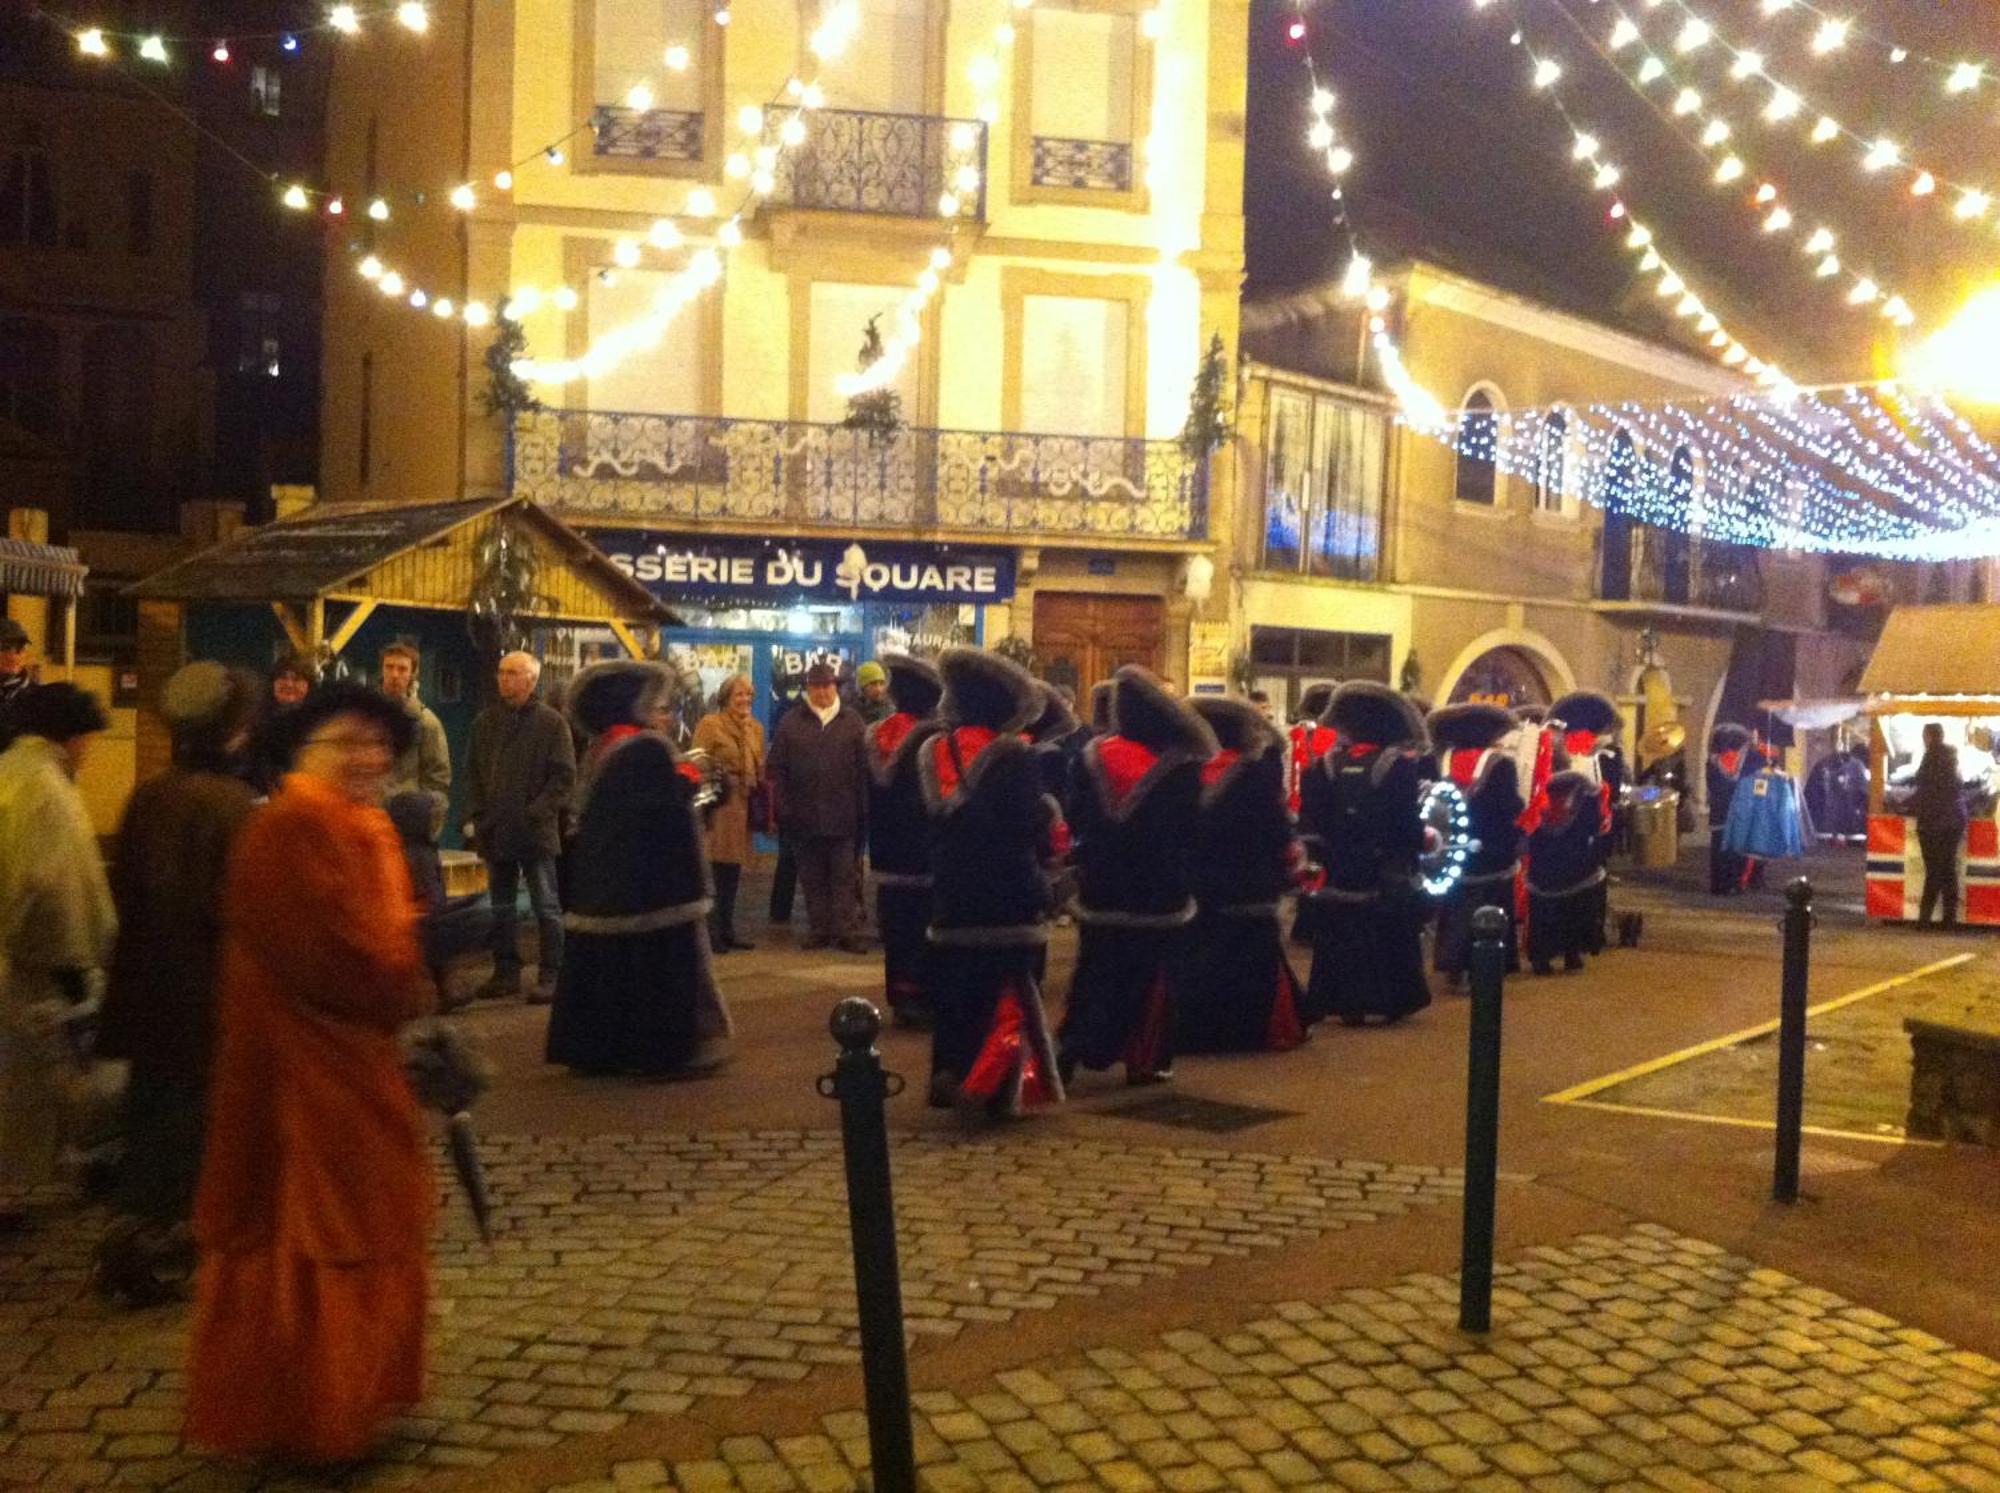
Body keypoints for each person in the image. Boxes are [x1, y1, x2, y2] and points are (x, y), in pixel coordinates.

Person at [185, 681, 431, 1463]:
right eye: (348, 743)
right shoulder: (291, 826)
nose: (368, 757)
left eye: (377, 744)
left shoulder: (363, 825)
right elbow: (337, 952)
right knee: (313, 1231)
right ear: (305, 750)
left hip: (354, 1062)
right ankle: (310, 1413)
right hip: (297, 1072)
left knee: (360, 1221)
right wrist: (403, 976)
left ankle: (352, 1400)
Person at [94, 664, 260, 1305]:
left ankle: (137, 1232)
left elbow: (126, 891)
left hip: (146, 992)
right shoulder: (230, 805)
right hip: (204, 998)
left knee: (154, 1117)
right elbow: (240, 908)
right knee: (193, 1125)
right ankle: (158, 1242)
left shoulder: (150, 794)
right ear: (234, 731)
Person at [545, 662, 733, 1076]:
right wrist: (691, 777)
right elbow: (662, 808)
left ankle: (601, 1051)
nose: (662, 714)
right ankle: (662, 1052)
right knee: (657, 974)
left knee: (609, 972)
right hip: (654, 889)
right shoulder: (645, 749)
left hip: (607, 885)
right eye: (657, 706)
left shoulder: (604, 747)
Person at [921, 647, 1066, 1118]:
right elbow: (1025, 822)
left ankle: (948, 1069)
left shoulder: (932, 752)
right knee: (1008, 989)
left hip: (950, 887)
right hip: (1006, 889)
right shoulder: (1011, 756)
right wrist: (1046, 811)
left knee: (955, 986)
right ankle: (995, 1085)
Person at [1058, 666, 1215, 1086]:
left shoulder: (1093, 755)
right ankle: (1143, 1059)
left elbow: (1075, 815)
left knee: (1093, 969)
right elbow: (1191, 828)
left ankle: (1075, 1044)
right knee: (1151, 974)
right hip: (1157, 886)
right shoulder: (1180, 764)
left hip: (1102, 881)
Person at [0, 684, 116, 1232]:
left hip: (25, 961)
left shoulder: (13, 773)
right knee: (25, 1085)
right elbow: (51, 883)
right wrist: (76, 959)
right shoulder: (46, 788)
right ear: (70, 735)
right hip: (37, 965)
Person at [1175, 696, 1306, 1054]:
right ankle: (1245, 1029)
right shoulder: (1257, 773)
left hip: (1198, 880)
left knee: (1198, 951)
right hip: (1249, 882)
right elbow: (1274, 828)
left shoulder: (1186, 771)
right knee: (1248, 953)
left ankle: (1193, 1028)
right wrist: (1283, 867)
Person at [1299, 682, 1430, 1026]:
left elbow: (1311, 818)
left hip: (1338, 866)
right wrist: (1421, 842)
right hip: (1381, 866)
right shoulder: (1397, 765)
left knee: (1342, 931)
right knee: (1384, 932)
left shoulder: (1325, 764)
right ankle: (1387, 1001)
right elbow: (1405, 822)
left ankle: (1345, 1002)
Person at [463, 651, 576, 1002]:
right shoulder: (485, 723)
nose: (504, 679)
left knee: (546, 905)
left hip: (535, 830)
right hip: (497, 829)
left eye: (513, 673)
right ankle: (505, 972)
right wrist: (476, 815)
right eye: (501, 672)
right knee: (502, 906)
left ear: (531, 679)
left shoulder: (551, 723)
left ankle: (551, 974)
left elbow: (563, 777)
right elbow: (472, 774)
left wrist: (535, 812)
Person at [865, 654, 944, 1028]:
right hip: (923, 848)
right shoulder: (932, 737)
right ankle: (921, 996)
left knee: (895, 926)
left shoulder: (877, 732)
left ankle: (899, 994)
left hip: (886, 849)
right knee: (923, 924)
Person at [767, 660, 869, 952]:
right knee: (812, 879)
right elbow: (777, 769)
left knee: (844, 878)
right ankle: (819, 929)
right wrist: (784, 809)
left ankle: (846, 931)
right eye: (816, 686)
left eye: (827, 685)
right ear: (808, 689)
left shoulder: (852, 722)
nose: (822, 692)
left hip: (844, 816)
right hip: (803, 816)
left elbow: (863, 770)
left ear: (835, 687)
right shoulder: (791, 722)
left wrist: (864, 809)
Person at [1427, 703, 1526, 987]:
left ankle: (1453, 963)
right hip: (1491, 847)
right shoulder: (1501, 763)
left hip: (1451, 844)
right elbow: (1509, 805)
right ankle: (1485, 965)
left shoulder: (1444, 760)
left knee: (1455, 903)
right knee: (1491, 903)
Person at [387, 791, 494, 1006]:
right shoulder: (413, 854)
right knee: (453, 923)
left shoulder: (418, 850)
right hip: (419, 919)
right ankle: (444, 987)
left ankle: (444, 985)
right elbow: (424, 892)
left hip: (426, 914)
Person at [692, 673, 766, 952]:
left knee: (733, 872)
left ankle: (727, 929)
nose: (744, 700)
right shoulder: (711, 725)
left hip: (743, 806)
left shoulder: (755, 729)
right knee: (714, 871)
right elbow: (697, 762)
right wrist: (720, 780)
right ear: (726, 698)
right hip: (719, 807)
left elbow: (761, 764)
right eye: (739, 695)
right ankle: (711, 933)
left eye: (748, 695)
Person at [1549, 690, 1623, 952]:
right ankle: (1591, 933)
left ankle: (1558, 936)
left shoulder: (1556, 749)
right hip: (1595, 825)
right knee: (1595, 878)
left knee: (1561, 880)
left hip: (1557, 824)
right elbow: (1613, 792)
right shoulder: (1607, 754)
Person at [1525, 770, 1602, 974]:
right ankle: (1571, 953)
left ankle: (1541, 957)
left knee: (1543, 914)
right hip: (1574, 866)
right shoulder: (1582, 792)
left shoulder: (1534, 786)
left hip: (1543, 867)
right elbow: (1593, 825)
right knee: (1574, 909)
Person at [378, 641, 452, 816]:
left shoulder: (426, 722)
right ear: (382, 670)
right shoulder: (365, 717)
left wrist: (424, 819)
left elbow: (438, 779)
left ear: (413, 673)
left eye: (402, 669)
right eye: (389, 667)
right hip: (368, 815)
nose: (394, 674)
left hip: (408, 818)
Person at [1911, 721, 1967, 927]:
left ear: (1929, 737)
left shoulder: (1931, 758)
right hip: (1953, 821)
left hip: (1933, 823)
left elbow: (1923, 788)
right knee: (1948, 869)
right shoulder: (1953, 759)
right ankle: (1949, 918)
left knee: (1934, 869)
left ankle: (1924, 920)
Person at [247, 652, 317, 794]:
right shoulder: (254, 719)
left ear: (309, 685)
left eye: (297, 679)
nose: (289, 684)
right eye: (283, 678)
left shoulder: (320, 722)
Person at [1705, 723, 1754, 895]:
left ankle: (1719, 884)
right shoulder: (1738, 762)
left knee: (1719, 849)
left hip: (1719, 811)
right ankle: (1733, 883)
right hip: (1736, 811)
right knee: (1735, 850)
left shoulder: (1712, 761)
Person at [854, 659, 893, 725]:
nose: (878, 689)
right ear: (862, 687)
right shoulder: (852, 711)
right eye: (873, 684)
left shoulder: (889, 712)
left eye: (881, 683)